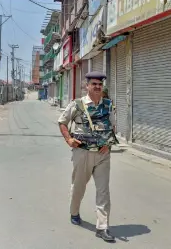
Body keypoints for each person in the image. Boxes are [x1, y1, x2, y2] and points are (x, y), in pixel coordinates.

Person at [58, 71, 117, 242]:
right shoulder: (77, 105)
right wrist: (69, 139)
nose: (98, 87)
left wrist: (108, 143)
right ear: (87, 86)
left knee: (103, 191)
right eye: (94, 84)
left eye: (100, 84)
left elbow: (112, 126)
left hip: (103, 154)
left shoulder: (108, 105)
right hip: (82, 153)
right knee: (78, 187)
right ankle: (74, 212)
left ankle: (102, 227)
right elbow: (62, 121)